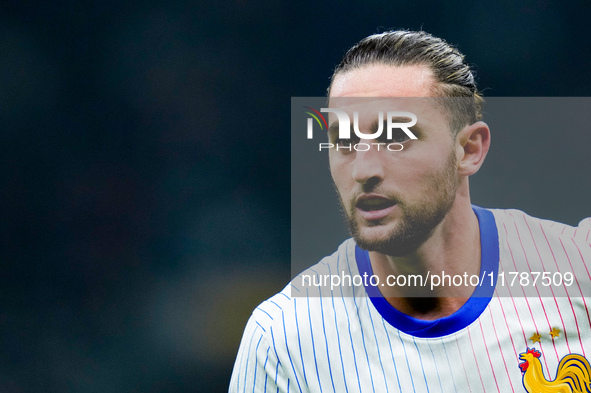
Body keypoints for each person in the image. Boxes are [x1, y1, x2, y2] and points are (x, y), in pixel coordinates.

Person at [230, 30, 591, 392]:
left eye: (396, 137)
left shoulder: (581, 269)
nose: (364, 170)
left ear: (468, 150)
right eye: (344, 141)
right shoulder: (281, 340)